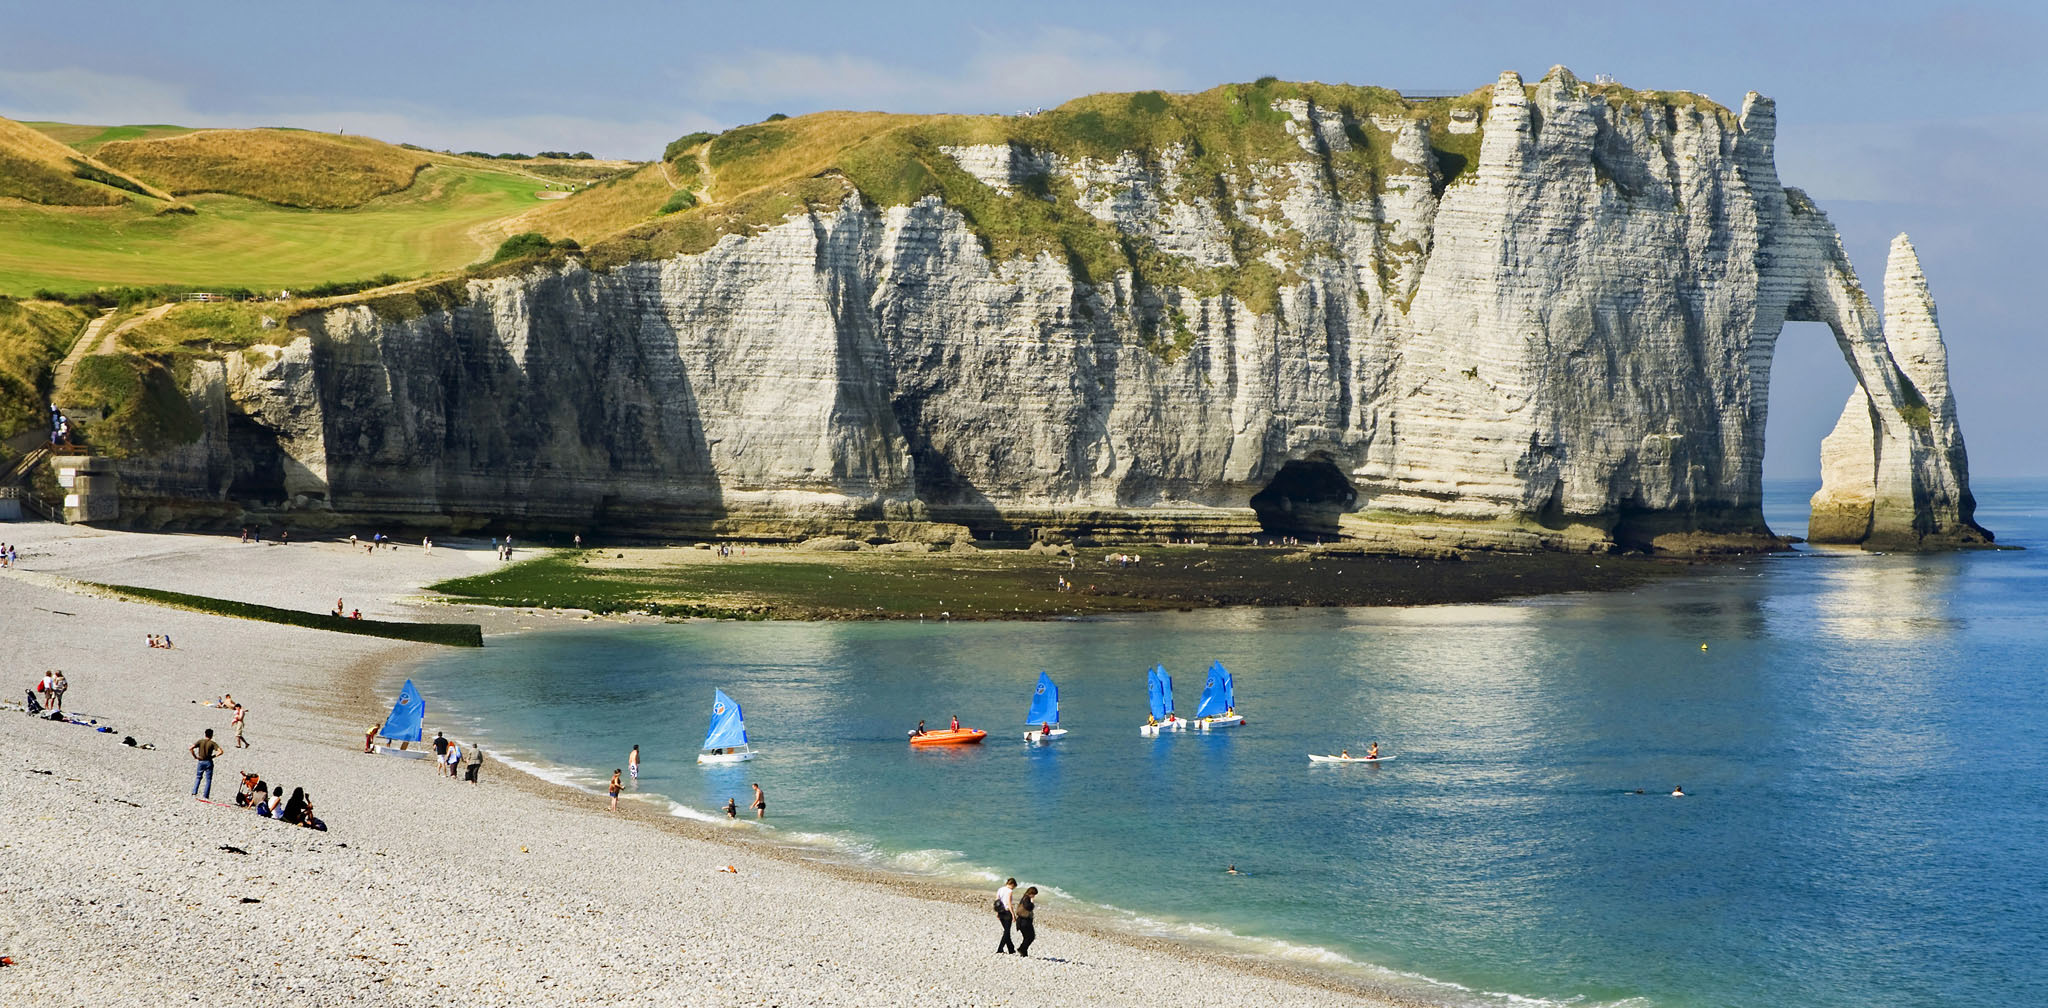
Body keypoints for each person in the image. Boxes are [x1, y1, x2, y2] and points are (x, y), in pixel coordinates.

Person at [190, 729, 223, 799]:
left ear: (205, 734)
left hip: (200, 761)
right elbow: (221, 751)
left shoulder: (200, 741)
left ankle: (194, 792)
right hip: (208, 761)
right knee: (208, 779)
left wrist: (195, 756)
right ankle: (205, 795)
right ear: (211, 735)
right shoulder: (212, 743)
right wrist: (214, 756)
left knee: (198, 777)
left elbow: (191, 748)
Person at [994, 877, 1017, 954]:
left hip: (1000, 912)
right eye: (1014, 887)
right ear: (1012, 884)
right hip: (1007, 912)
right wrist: (1013, 915)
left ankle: (1011, 949)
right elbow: (1009, 903)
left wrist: (997, 912)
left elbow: (997, 901)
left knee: (1006, 931)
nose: (1013, 888)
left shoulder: (1000, 889)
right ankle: (1000, 949)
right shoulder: (1009, 891)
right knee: (1007, 932)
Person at [1014, 886, 1037, 956]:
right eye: (1034, 894)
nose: (1034, 896)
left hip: (1021, 921)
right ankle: (1021, 949)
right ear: (1032, 893)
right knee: (1031, 936)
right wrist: (1032, 903)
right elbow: (1029, 907)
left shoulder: (1024, 897)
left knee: (1027, 937)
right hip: (1025, 922)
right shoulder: (1027, 898)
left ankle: (1024, 952)